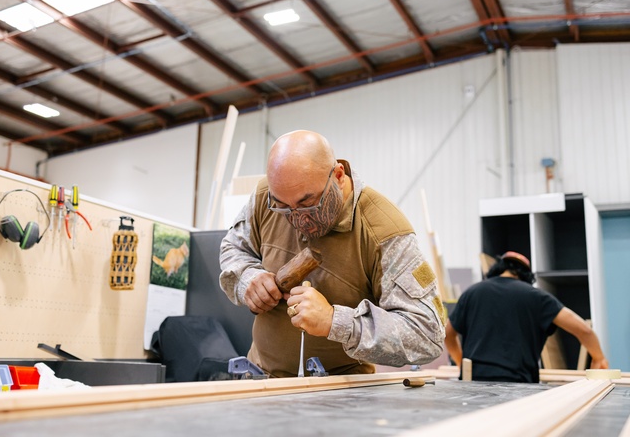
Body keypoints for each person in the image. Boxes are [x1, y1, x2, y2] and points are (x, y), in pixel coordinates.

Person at [219, 130, 445, 377]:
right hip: (260, 379)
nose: (296, 219)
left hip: (340, 393)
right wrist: (247, 279)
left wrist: (334, 321)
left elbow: (427, 334)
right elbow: (233, 248)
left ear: (338, 176)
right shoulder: (267, 196)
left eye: (308, 203)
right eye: (283, 207)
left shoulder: (385, 232)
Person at [444, 251, 609, 383]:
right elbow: (584, 330)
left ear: (498, 269)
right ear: (526, 275)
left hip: (475, 382)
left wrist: (461, 363)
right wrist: (599, 358)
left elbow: (447, 334)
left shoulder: (472, 293)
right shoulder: (537, 297)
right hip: (519, 384)